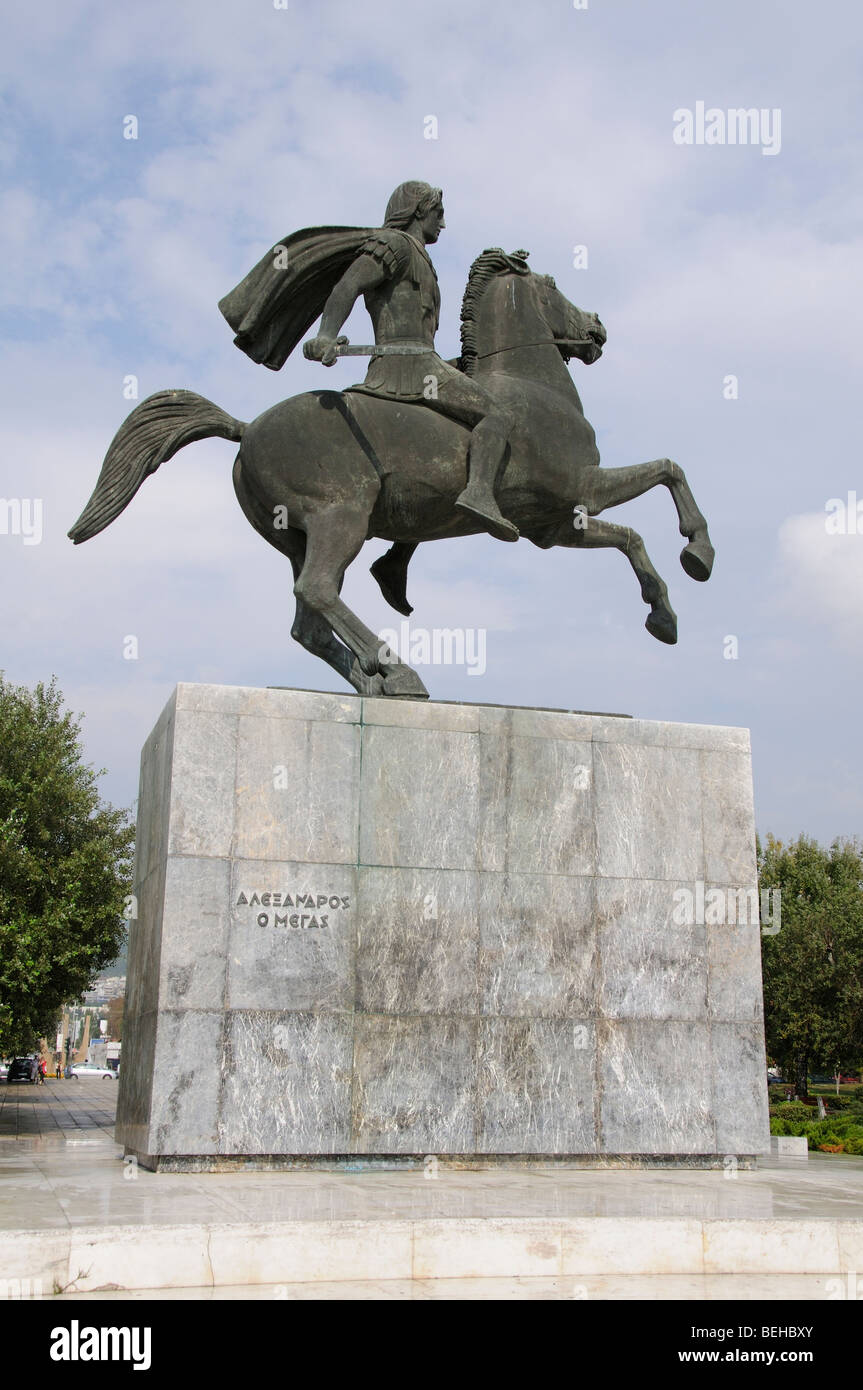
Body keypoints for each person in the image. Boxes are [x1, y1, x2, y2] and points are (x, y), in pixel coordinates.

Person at [220, 180, 519, 542]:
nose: (443, 223)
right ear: (418, 210)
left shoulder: (420, 257)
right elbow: (348, 286)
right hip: (407, 369)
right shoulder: (394, 244)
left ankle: (398, 556)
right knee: (498, 414)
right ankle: (478, 493)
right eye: (438, 213)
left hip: (423, 362)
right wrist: (327, 333)